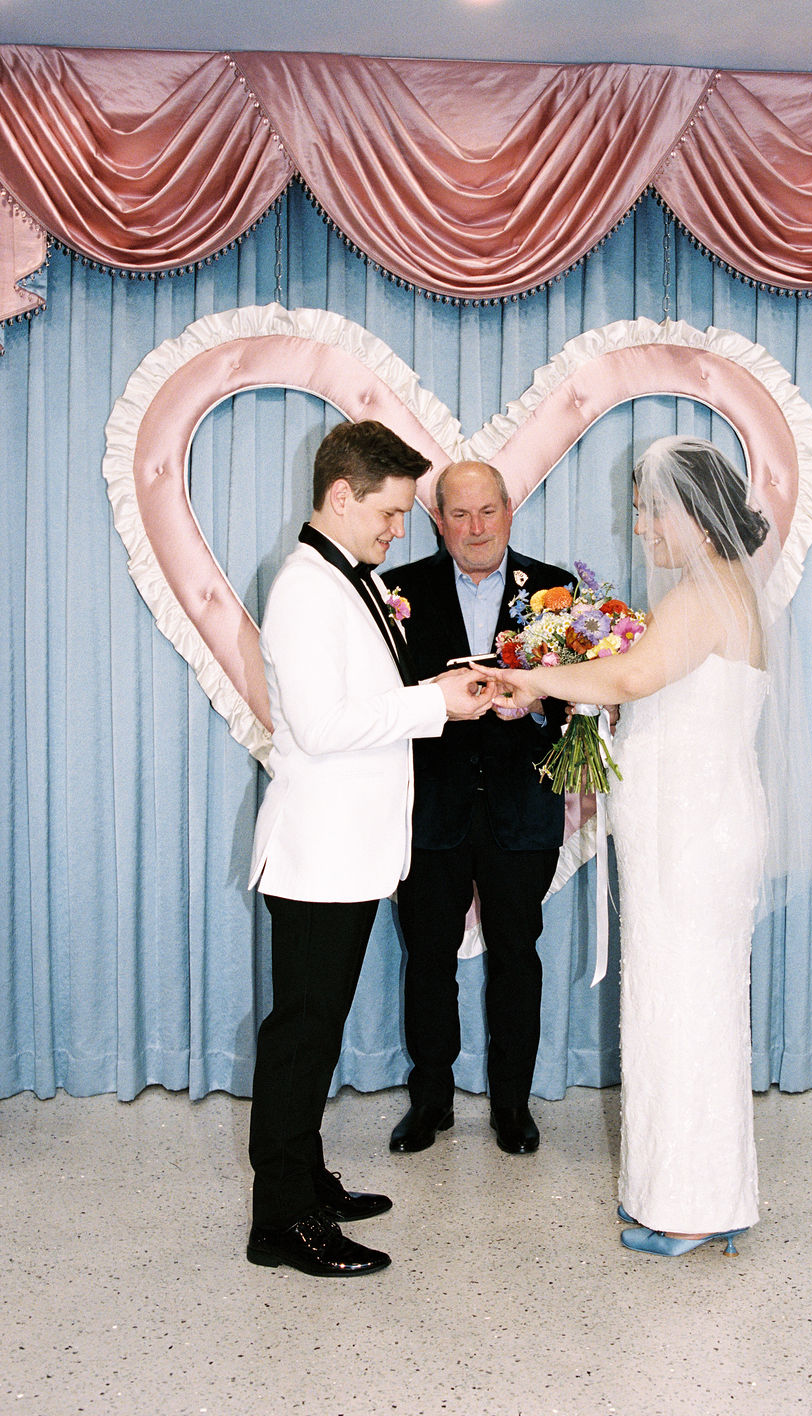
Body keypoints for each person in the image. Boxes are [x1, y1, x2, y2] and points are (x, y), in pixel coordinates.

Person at [485, 436, 809, 1257]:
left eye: (647, 509)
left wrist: (537, 680)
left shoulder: (703, 595)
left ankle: (697, 1203)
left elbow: (631, 680)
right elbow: (655, 696)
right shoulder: (717, 592)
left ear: (692, 518)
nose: (638, 525)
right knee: (681, 1009)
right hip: (687, 828)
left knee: (686, 1012)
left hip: (691, 837)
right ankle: (694, 1191)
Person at [246, 421, 493, 1278]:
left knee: (313, 1033)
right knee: (301, 1039)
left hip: (348, 851)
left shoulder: (344, 578)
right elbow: (319, 727)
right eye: (390, 514)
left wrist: (441, 688)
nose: (399, 532)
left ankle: (306, 1181)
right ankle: (280, 1221)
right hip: (319, 855)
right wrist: (438, 706)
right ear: (342, 495)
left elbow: (368, 700)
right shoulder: (308, 588)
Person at [381, 461, 573, 1156]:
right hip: (430, 808)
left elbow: (573, 695)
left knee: (518, 957)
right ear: (438, 521)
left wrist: (541, 696)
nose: (475, 528)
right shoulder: (395, 591)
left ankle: (512, 1106)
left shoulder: (558, 589)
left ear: (509, 508)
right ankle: (430, 1099)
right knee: (427, 957)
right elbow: (384, 700)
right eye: (458, 515)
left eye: (486, 511)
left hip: (523, 808)